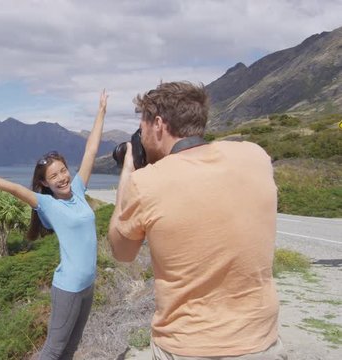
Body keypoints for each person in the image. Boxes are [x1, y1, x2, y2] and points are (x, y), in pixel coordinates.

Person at [108, 81, 286, 359]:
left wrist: (129, 171)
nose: (140, 138)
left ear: (158, 124)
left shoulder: (146, 183)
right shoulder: (255, 156)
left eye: (141, 129)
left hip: (189, 346)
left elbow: (122, 251)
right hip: (261, 341)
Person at [0, 90, 108, 359]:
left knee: (72, 347)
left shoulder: (78, 189)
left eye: (63, 170)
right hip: (68, 287)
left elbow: (91, 149)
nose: (62, 178)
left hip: (88, 284)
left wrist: (101, 111)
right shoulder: (48, 205)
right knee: (53, 351)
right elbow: (11, 188)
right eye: (54, 176)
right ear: (44, 183)